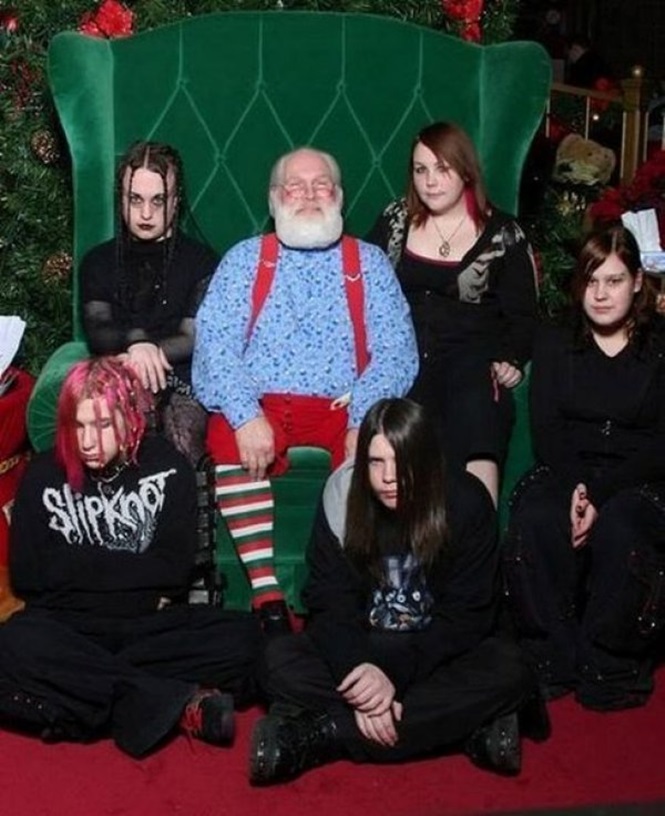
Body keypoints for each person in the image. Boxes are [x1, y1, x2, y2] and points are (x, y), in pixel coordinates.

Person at [249, 398, 546, 786]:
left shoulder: (466, 500)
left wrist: (391, 679)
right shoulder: (343, 495)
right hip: (367, 646)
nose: (389, 477)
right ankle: (466, 731)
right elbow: (328, 601)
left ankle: (323, 735)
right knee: (274, 661)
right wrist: (358, 671)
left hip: (436, 653)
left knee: (511, 669)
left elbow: (467, 617)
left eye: (401, 462)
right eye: (376, 462)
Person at [193, 147, 418, 631]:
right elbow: (215, 344)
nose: (310, 195)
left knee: (381, 451)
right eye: (296, 186)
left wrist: (364, 418)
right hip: (263, 404)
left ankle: (357, 593)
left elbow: (397, 348)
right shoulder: (245, 260)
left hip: (345, 405)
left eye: (322, 185)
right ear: (275, 198)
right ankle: (267, 595)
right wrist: (245, 414)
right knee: (225, 433)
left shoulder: (370, 263)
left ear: (339, 197)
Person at [0, 357, 261, 757]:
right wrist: (134, 578)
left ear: (130, 419)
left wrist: (75, 567)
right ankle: (175, 705)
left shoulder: (168, 467)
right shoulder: (44, 473)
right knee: (13, 642)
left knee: (246, 641)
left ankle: (81, 704)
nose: (87, 441)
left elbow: (173, 570)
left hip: (147, 628)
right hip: (68, 628)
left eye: (103, 425)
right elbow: (29, 575)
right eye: (78, 426)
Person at [504, 223, 665, 711]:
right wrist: (578, 485)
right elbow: (547, 427)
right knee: (537, 517)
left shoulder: (660, 344)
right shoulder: (555, 339)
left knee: (622, 525)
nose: (600, 294)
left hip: (640, 477)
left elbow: (661, 442)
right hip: (567, 466)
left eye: (614, 281)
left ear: (637, 282)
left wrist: (599, 493)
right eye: (591, 281)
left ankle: (609, 663)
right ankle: (551, 657)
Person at [367, 122, 539, 506]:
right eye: (420, 169)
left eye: (442, 169)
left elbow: (524, 314)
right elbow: (361, 285)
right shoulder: (395, 219)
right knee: (400, 416)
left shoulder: (503, 233)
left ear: (465, 171)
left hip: (471, 359)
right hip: (403, 355)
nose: (430, 181)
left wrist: (512, 356)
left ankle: (477, 532)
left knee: (477, 413)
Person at [81, 140, 219, 466]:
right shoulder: (98, 261)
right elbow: (98, 330)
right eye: (135, 199)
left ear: (175, 201)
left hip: (181, 374)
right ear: (121, 199)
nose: (146, 213)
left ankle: (193, 499)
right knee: (120, 414)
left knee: (183, 427)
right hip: (118, 369)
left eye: (158, 200)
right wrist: (136, 342)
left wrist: (149, 351)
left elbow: (192, 336)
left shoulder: (201, 261)